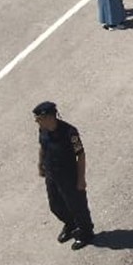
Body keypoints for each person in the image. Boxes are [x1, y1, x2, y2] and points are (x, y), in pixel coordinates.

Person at [34, 101, 95, 249]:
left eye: (39, 118)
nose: (36, 121)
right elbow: (43, 147)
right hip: (52, 175)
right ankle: (71, 224)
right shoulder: (43, 130)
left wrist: (81, 179)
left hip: (69, 176)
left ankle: (86, 232)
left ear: (49, 117)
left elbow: (80, 155)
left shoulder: (70, 132)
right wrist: (40, 164)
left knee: (77, 206)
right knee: (55, 205)